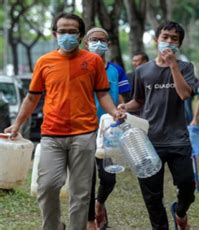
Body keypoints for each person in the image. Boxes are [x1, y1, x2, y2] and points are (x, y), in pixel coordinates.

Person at [4, 13, 124, 230]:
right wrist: (17, 124)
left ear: (79, 36)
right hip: (51, 134)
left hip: (84, 134)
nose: (67, 35)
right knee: (47, 186)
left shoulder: (93, 61)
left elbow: (103, 94)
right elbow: (32, 97)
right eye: (62, 31)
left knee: (81, 193)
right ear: (54, 33)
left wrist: (114, 112)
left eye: (72, 32)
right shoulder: (45, 62)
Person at [118, 21, 196, 230]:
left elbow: (185, 94)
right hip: (148, 141)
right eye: (165, 37)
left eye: (174, 38)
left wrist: (173, 65)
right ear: (156, 40)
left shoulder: (185, 67)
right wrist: (125, 106)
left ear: (179, 44)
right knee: (152, 196)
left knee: (188, 186)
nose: (169, 41)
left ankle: (180, 212)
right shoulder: (142, 71)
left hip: (178, 139)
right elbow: (139, 101)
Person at [83, 27, 131, 230]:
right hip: (83, 128)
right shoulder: (79, 66)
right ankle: (91, 221)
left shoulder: (116, 70)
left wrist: (122, 111)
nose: (98, 43)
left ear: (108, 44)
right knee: (87, 179)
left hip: (109, 130)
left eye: (102, 40)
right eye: (94, 40)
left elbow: (121, 98)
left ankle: (99, 203)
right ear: (86, 43)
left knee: (108, 177)